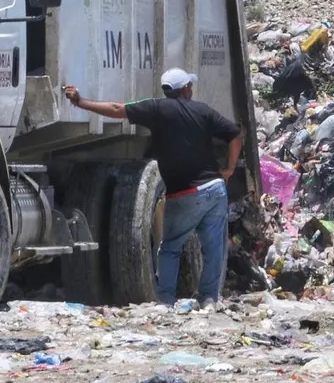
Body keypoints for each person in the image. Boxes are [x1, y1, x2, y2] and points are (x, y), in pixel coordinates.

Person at [62, 68, 243, 308]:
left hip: (183, 194)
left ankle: (166, 300)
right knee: (213, 248)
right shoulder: (203, 110)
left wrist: (80, 101)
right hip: (213, 189)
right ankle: (209, 298)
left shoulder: (156, 108)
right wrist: (229, 168)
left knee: (170, 248)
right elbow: (235, 135)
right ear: (186, 88)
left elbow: (117, 109)